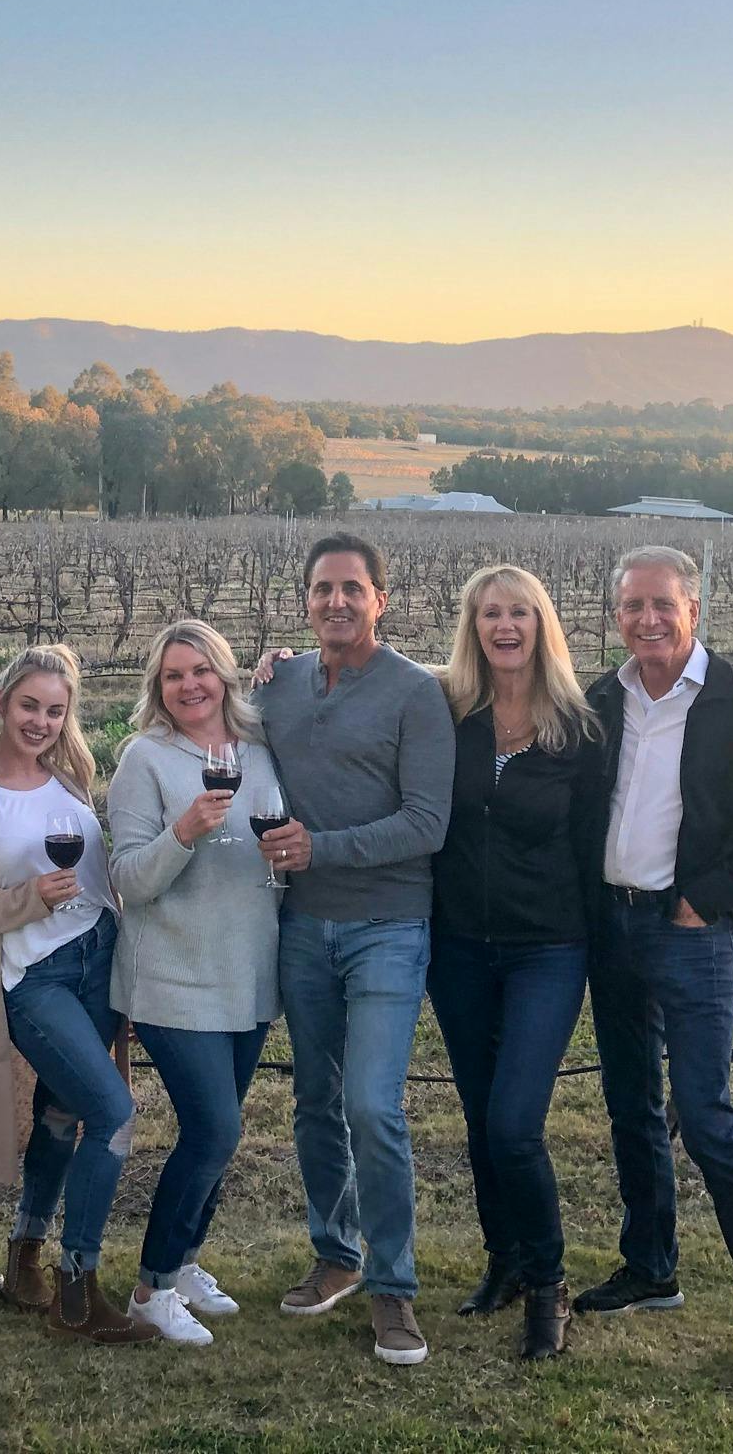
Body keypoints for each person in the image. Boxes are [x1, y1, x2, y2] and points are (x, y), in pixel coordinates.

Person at [581, 545, 733, 1390]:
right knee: (630, 1107)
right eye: (632, 607)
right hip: (611, 930)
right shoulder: (601, 699)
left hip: (691, 935)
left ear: (694, 609)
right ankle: (652, 1267)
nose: (647, 620)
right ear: (617, 615)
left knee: (707, 1117)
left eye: (663, 605)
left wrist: (710, 896)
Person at [255, 533, 455, 1366]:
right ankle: (336, 1256)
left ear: (382, 599)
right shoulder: (281, 684)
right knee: (313, 1101)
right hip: (301, 928)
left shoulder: (416, 694)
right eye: (321, 589)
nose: (336, 602)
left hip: (388, 926)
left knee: (374, 1105)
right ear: (305, 600)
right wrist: (256, 671)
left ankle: (394, 1289)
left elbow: (426, 824)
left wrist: (320, 849)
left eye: (352, 589)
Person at [0, 644, 156, 1346]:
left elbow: (99, 885)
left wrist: (131, 975)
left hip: (99, 962)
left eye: (55, 710)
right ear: (2, 703)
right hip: (32, 980)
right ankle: (76, 1290)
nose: (42, 721)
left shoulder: (73, 773)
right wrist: (24, 900)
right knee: (112, 1114)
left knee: (60, 1116)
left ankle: (24, 1250)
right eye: (30, 706)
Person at [427, 564, 603, 1360]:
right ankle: (502, 1260)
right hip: (458, 948)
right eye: (490, 613)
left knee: (514, 1123)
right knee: (477, 1116)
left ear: (541, 626)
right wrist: (285, 662)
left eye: (519, 614)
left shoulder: (578, 725)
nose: (505, 626)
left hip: (548, 950)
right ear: (474, 626)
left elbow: (598, 845)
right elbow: (371, 668)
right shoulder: (448, 711)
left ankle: (548, 1284)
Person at [106, 620, 283, 1348]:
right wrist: (183, 833)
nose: (189, 685)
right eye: (174, 674)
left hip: (249, 972)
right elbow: (127, 880)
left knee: (218, 1135)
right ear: (159, 685)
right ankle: (151, 1288)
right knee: (215, 1129)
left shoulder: (262, 748)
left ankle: (183, 1264)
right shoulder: (143, 760)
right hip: (172, 975)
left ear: (226, 675)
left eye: (201, 670)